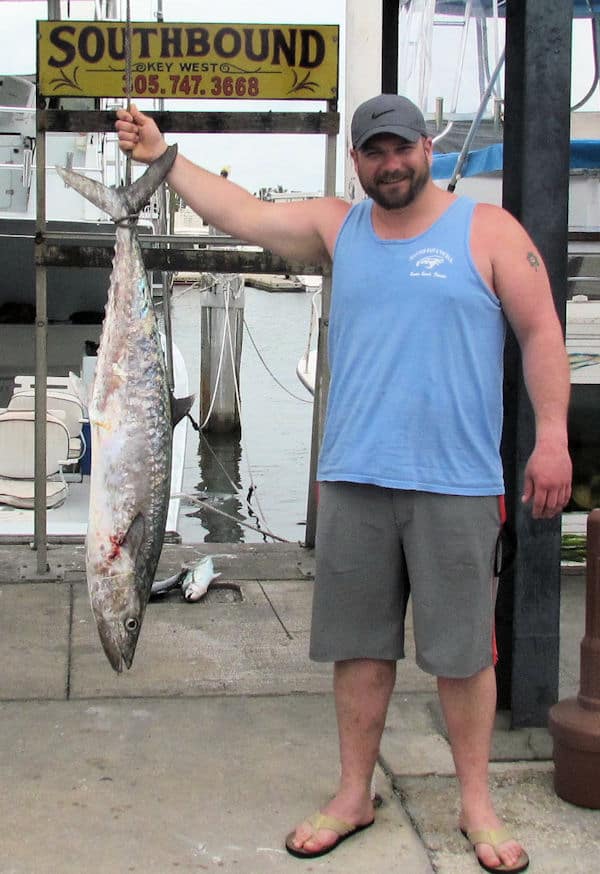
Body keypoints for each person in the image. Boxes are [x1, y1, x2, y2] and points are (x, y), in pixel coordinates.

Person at [116, 93, 571, 873]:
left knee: (463, 655)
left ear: (427, 148)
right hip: (356, 477)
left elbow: (541, 332)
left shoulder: (488, 231)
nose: (389, 164)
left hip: (456, 482)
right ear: (357, 161)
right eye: (373, 152)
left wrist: (553, 436)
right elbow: (241, 213)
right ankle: (354, 793)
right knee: (358, 650)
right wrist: (163, 153)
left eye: (401, 148)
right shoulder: (340, 227)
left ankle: (477, 806)